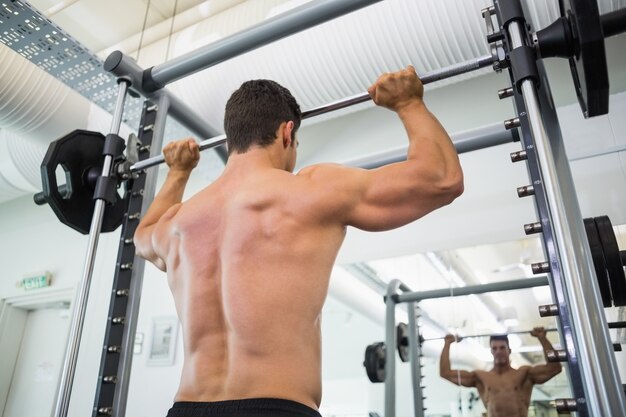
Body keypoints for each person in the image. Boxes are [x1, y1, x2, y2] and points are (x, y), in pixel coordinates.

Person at [134, 66, 464, 417]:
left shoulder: (180, 221)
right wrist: (409, 103)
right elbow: (442, 179)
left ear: (232, 139)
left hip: (187, 409)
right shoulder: (310, 189)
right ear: (286, 132)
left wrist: (178, 173)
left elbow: (142, 237)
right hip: (276, 409)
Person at [439, 327, 562, 417]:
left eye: (502, 347)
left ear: (509, 350)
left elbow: (554, 368)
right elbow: (445, 373)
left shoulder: (524, 374)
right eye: (494, 348)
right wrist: (447, 344)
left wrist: (542, 338)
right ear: (491, 351)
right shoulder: (480, 377)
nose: (498, 351)